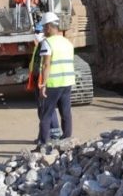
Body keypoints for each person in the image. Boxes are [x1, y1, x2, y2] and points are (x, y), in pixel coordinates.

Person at [36, 11, 74, 147]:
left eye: (45, 26)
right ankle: (67, 140)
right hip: (67, 83)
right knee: (66, 113)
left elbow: (47, 65)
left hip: (53, 84)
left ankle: (43, 144)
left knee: (45, 115)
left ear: (50, 27)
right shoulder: (67, 42)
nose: (44, 30)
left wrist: (43, 85)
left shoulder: (48, 43)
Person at [26, 22, 61, 142]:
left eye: (38, 32)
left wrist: (43, 83)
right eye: (35, 32)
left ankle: (53, 134)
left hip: (44, 81)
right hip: (38, 80)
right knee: (43, 109)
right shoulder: (39, 45)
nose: (36, 35)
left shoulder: (45, 44)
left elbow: (46, 64)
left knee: (46, 109)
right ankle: (44, 135)